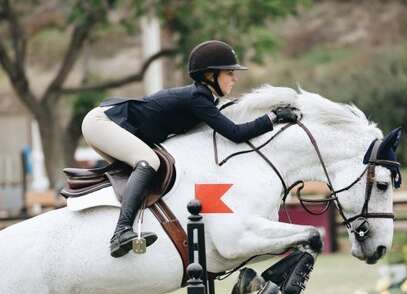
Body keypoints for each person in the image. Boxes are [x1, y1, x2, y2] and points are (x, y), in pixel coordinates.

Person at [81, 40, 300, 258]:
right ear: (209, 75)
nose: (235, 77)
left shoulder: (204, 99)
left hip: (114, 124)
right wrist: (273, 117)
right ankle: (121, 232)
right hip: (103, 122)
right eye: (229, 72)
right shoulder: (199, 98)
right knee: (149, 162)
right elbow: (236, 134)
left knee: (149, 169)